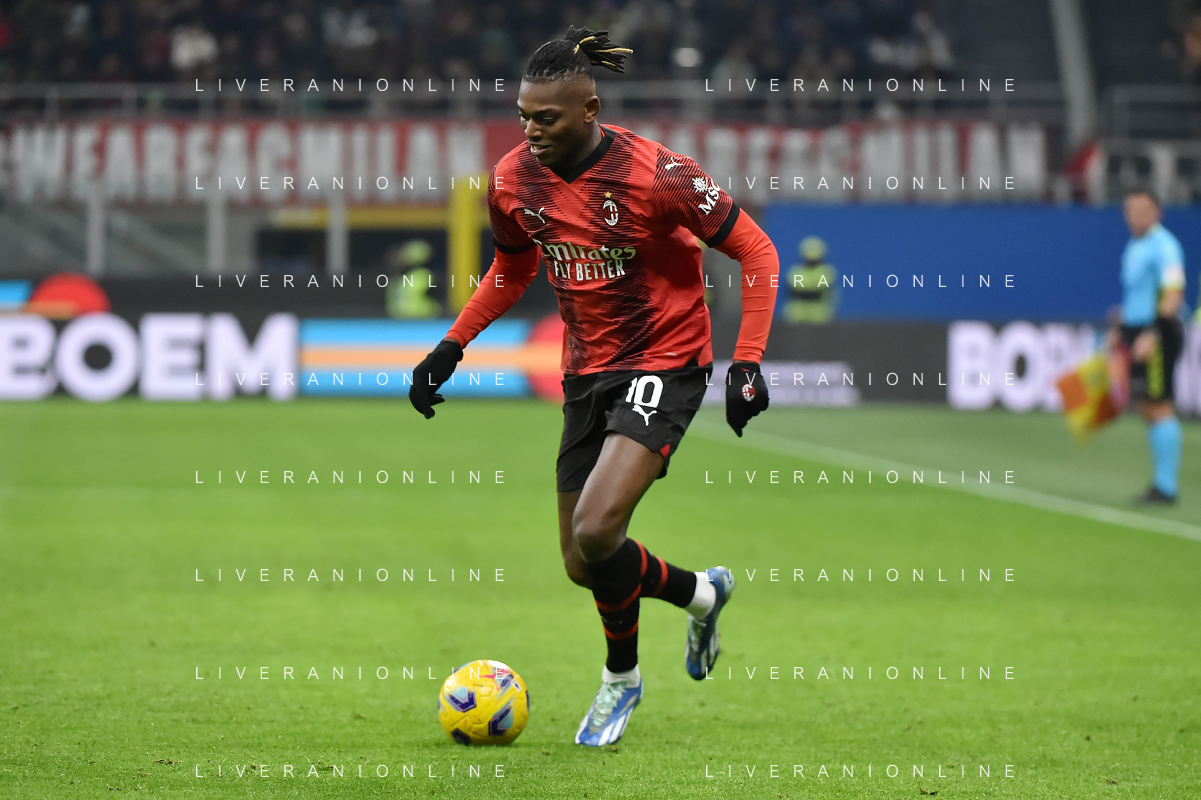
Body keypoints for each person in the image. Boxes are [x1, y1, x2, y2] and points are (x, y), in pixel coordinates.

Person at [408, 26, 779, 746]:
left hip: (665, 359)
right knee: (583, 563)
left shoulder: (658, 175)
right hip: (586, 371)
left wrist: (748, 362)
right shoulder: (513, 181)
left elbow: (755, 251)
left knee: (597, 528)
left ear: (589, 110)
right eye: (523, 116)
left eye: (546, 118)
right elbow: (512, 268)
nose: (531, 131)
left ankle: (620, 680)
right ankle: (702, 594)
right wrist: (452, 344)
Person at [1109, 190, 1186, 504]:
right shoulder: (1135, 245)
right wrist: (1121, 327)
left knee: (1159, 404)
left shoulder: (1165, 246)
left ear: (1158, 212)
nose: (1136, 217)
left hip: (1157, 332)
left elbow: (1173, 293)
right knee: (1145, 405)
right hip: (1137, 330)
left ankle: (1166, 486)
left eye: (1143, 210)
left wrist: (1152, 333)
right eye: (1131, 211)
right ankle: (1161, 482)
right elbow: (1137, 295)